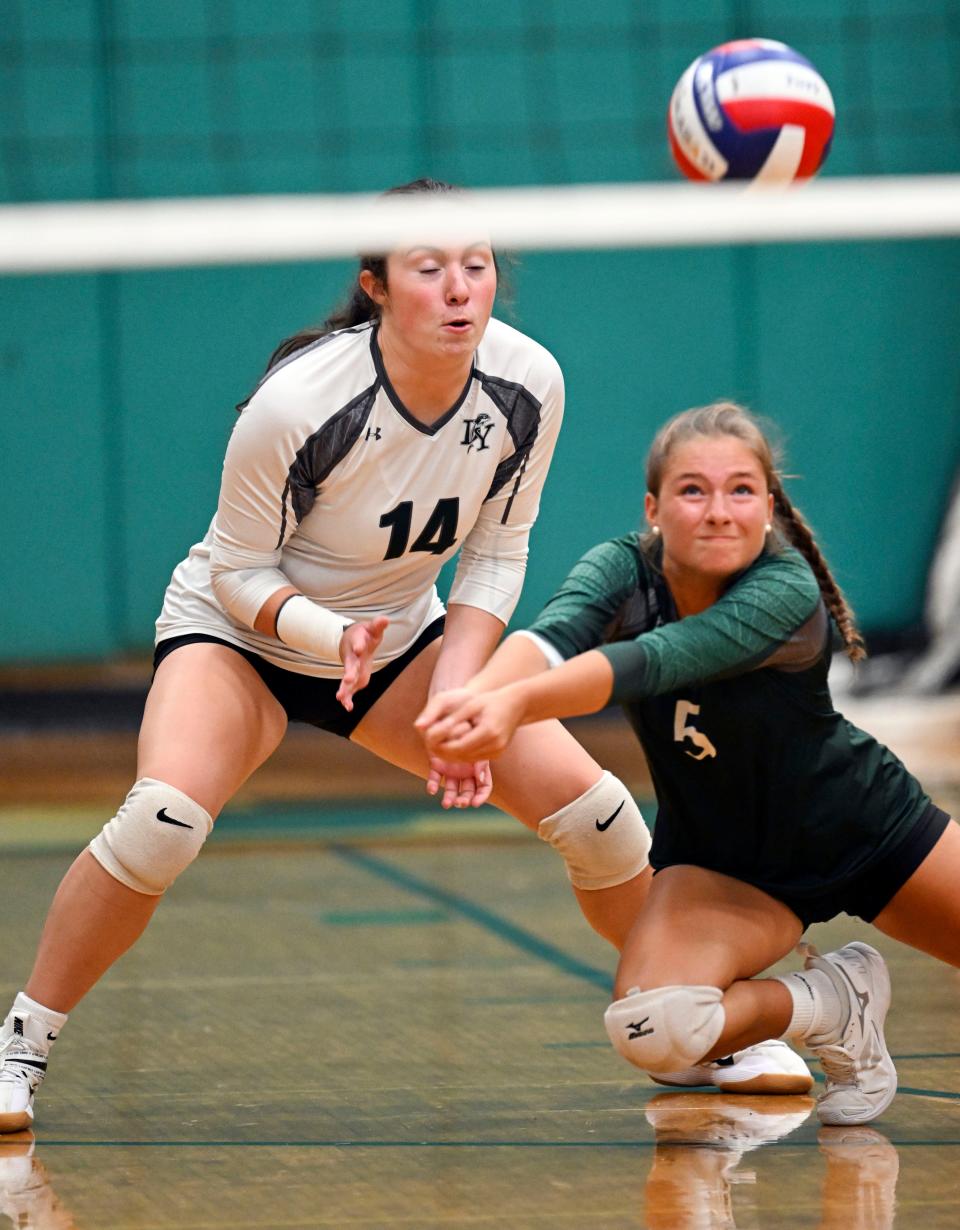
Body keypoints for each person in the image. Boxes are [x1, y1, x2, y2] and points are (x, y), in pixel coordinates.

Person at [0, 177, 688, 1136]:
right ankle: (21, 1045)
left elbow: (497, 549)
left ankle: (698, 1021)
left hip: (403, 641)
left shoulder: (530, 385)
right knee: (162, 820)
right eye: (429, 267)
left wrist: (456, 698)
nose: (458, 288)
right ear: (376, 284)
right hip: (241, 635)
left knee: (602, 817)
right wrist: (332, 639)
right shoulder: (301, 404)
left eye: (477, 266)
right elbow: (237, 571)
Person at [418, 399, 960, 1126]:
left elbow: (653, 661)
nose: (717, 511)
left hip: (863, 830)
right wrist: (473, 703)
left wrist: (513, 708)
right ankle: (834, 1002)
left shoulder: (786, 590)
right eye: (692, 490)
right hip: (723, 865)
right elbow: (552, 638)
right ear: (655, 507)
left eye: (740, 490)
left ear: (768, 506)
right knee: (657, 1031)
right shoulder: (622, 568)